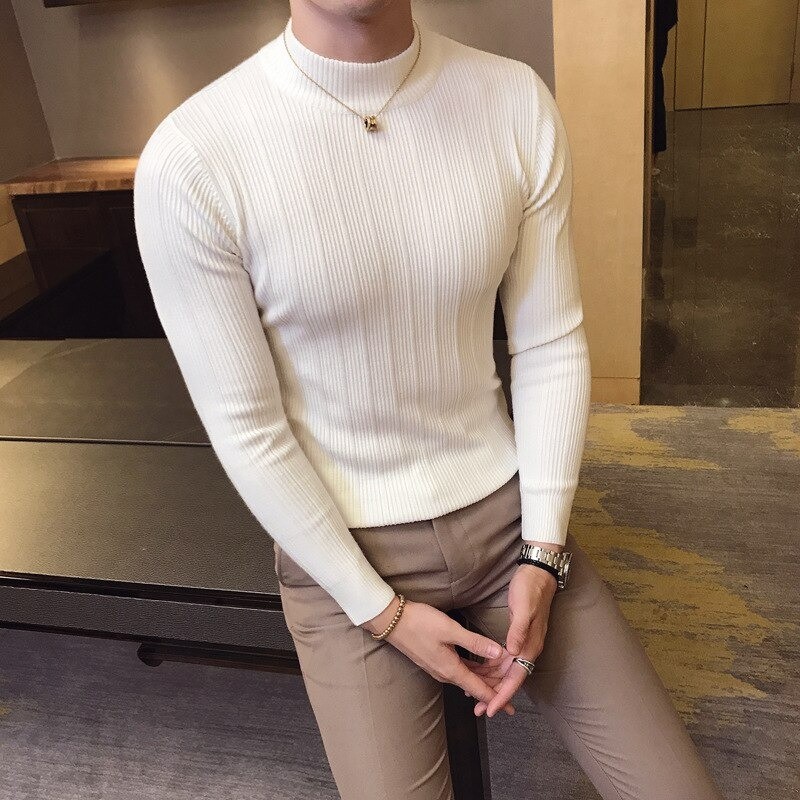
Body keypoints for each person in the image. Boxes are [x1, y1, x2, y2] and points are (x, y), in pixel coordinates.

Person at [133, 1, 725, 798]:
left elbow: (549, 344)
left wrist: (543, 551)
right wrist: (379, 611)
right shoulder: (193, 158)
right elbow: (247, 426)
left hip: (509, 524)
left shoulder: (513, 101)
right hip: (345, 555)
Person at [652, 0, 679, 174]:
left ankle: (651, 155)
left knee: (653, 84)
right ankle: (651, 156)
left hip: (655, 19)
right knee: (654, 83)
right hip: (653, 19)